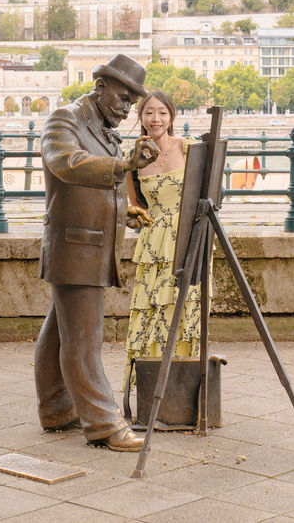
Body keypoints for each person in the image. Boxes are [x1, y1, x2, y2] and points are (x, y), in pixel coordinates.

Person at [34, 54, 158, 452]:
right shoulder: (65, 119)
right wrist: (123, 164)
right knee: (84, 340)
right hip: (75, 246)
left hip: (88, 244)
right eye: (122, 98)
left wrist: (125, 212)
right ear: (101, 87)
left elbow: (98, 189)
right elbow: (67, 164)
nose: (126, 108)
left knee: (61, 333)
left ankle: (56, 409)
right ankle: (104, 424)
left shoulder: (103, 128)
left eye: (130, 102)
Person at [123, 90, 202, 387]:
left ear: (171, 116)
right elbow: (135, 209)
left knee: (186, 310)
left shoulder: (189, 148)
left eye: (162, 113)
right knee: (152, 312)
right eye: (149, 113)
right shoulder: (133, 160)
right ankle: (150, 387)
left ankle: (184, 386)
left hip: (188, 238)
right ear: (141, 117)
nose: (155, 119)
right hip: (155, 242)